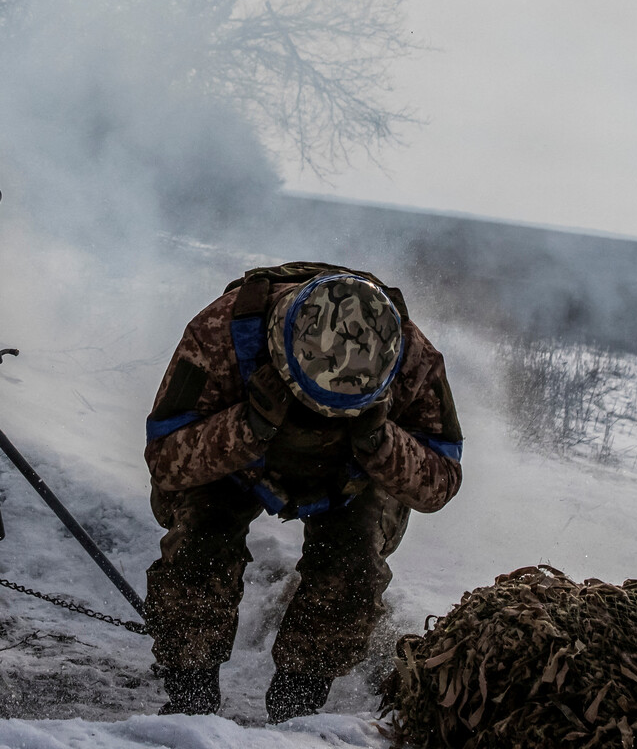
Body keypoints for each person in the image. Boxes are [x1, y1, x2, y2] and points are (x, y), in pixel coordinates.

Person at [142, 261, 464, 723]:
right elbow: (165, 459)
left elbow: (441, 482)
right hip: (238, 461)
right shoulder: (222, 332)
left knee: (354, 570)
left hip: (352, 476)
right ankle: (190, 699)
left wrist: (380, 440)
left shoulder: (412, 358)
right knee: (198, 548)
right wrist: (248, 426)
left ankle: (297, 707)